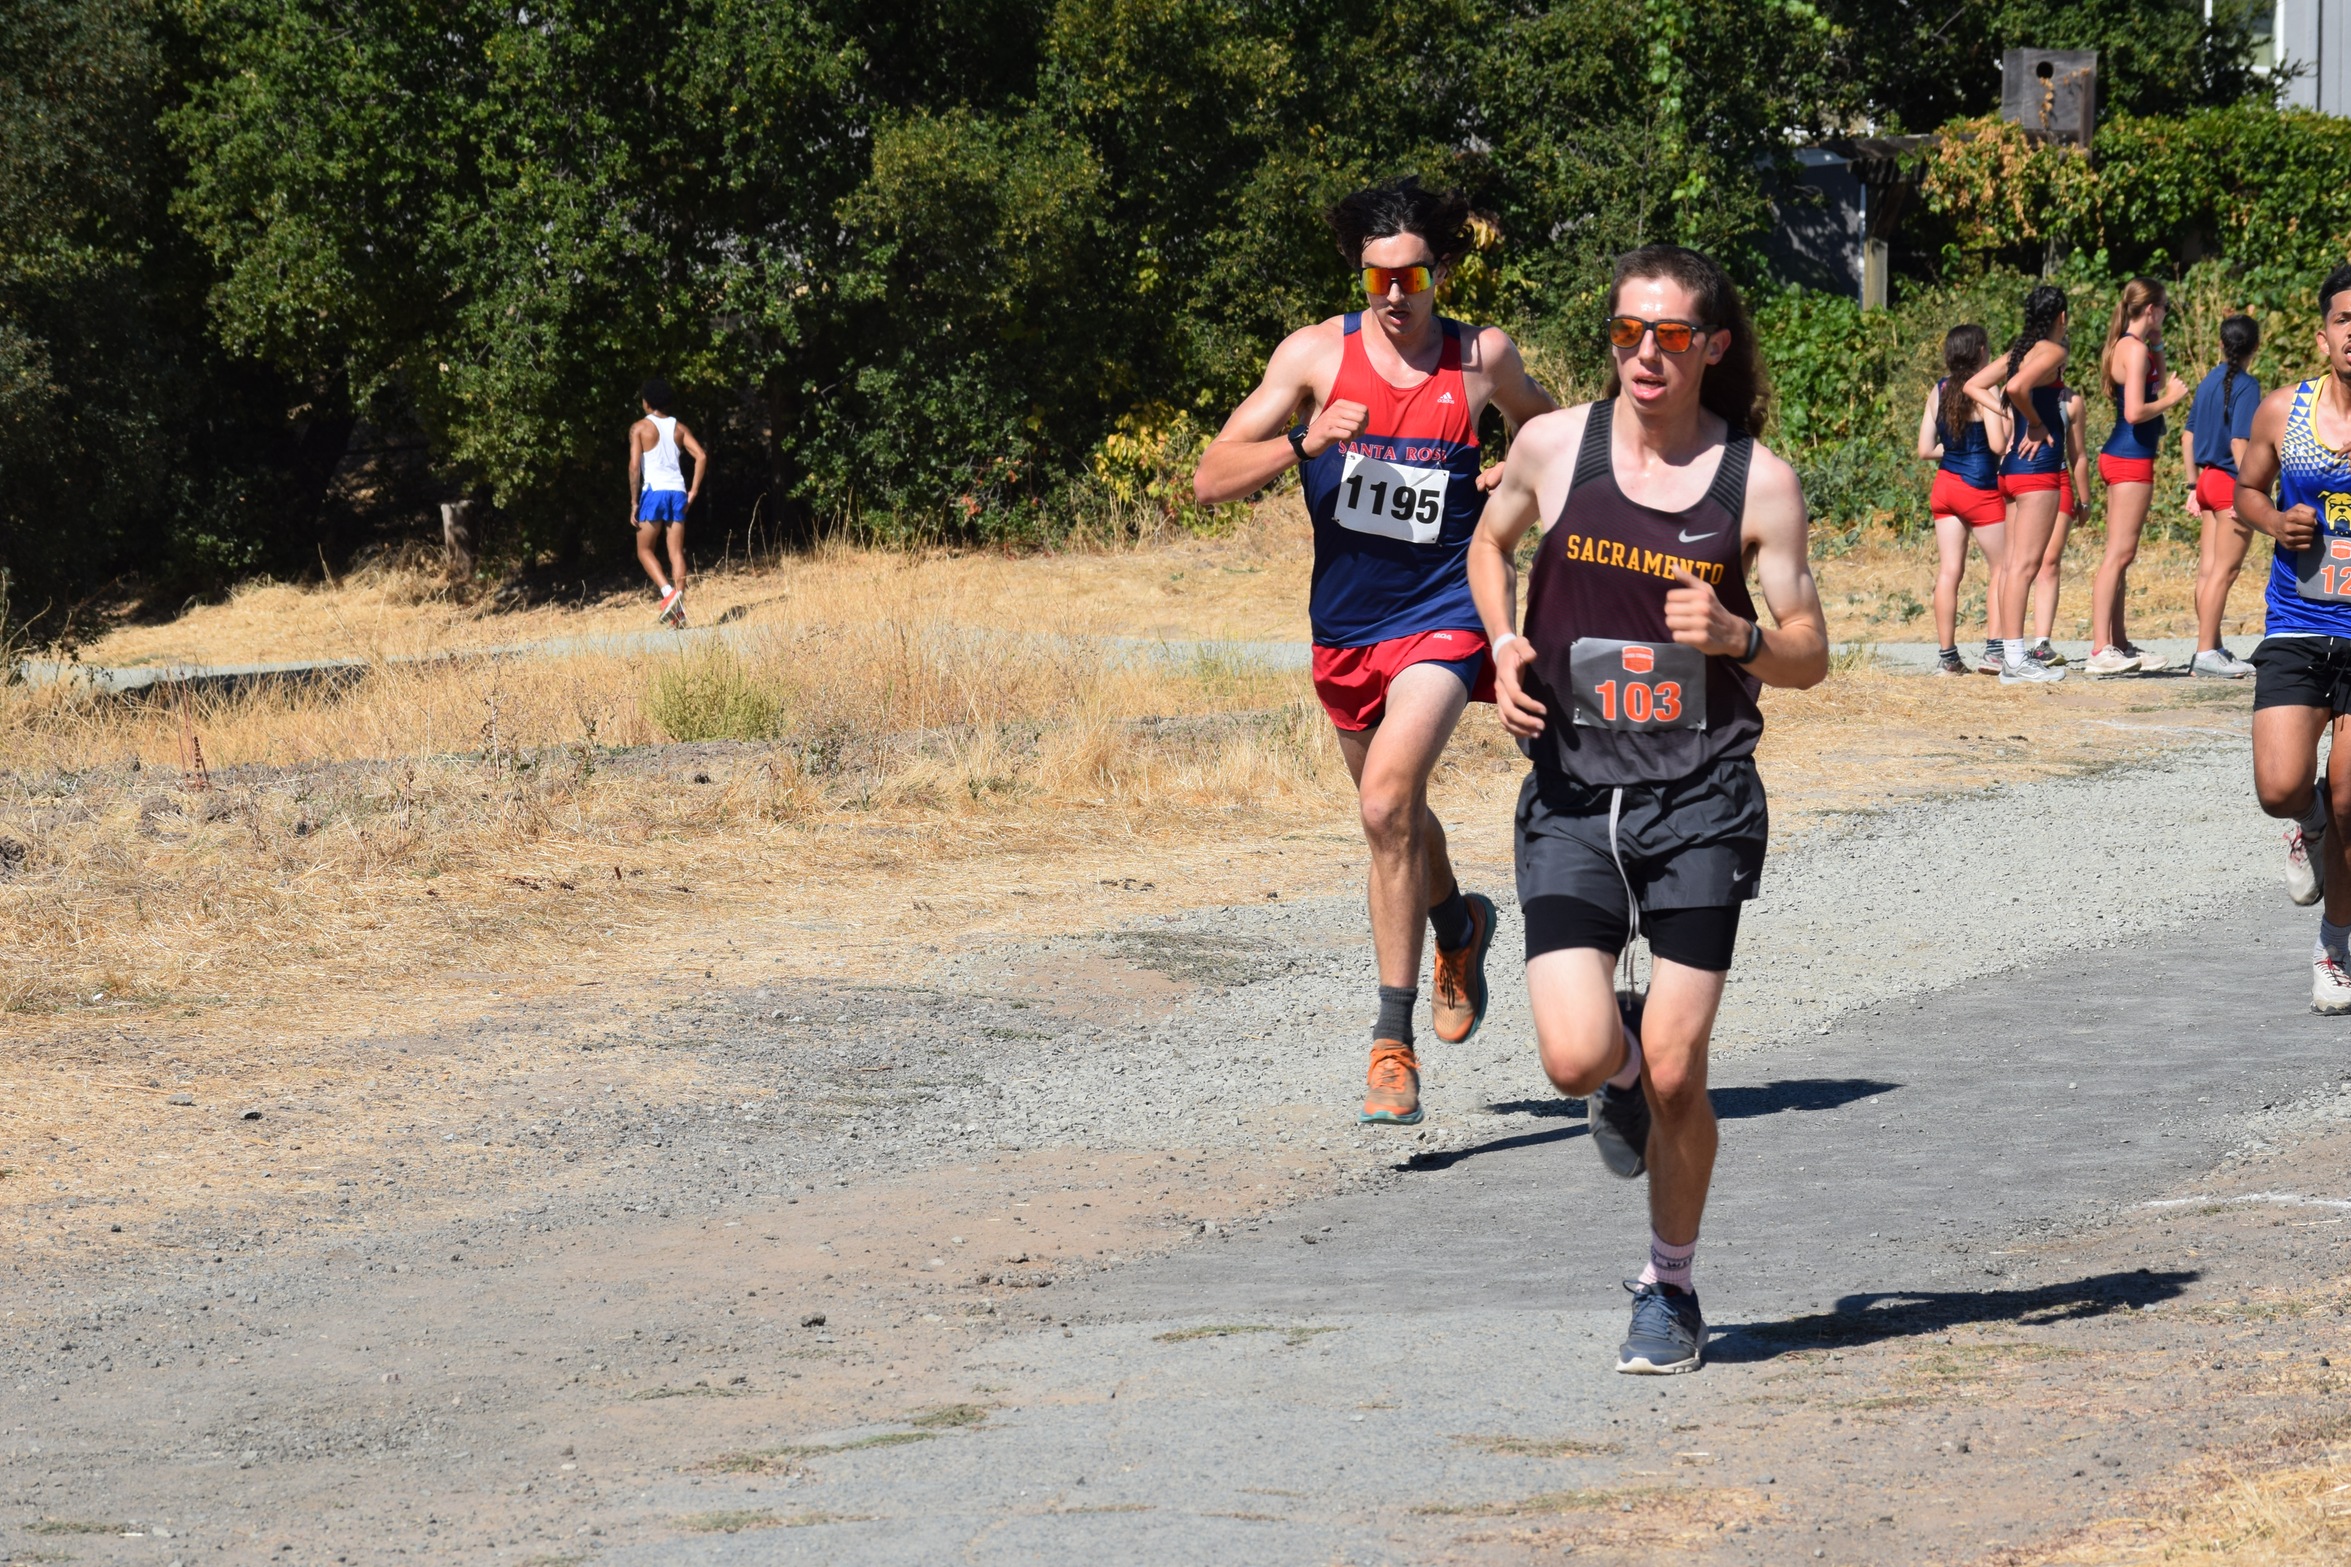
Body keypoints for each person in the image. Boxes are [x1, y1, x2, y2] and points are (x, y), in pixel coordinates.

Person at [1467, 245, 1829, 1373]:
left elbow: (1810, 653)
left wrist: (1740, 640)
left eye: (1667, 337)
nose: (1642, 356)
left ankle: (1667, 1287)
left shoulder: (1753, 482)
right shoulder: (1550, 446)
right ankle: (1616, 1081)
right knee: (1579, 1060)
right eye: (1626, 332)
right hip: (1573, 792)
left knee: (1680, 1067)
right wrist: (1502, 642)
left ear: (1709, 346)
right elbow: (1488, 545)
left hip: (1700, 798)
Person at [1193, 178, 1556, 1125]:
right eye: (1378, 275)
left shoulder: (1481, 357)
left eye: (1413, 275)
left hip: (1445, 613)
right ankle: (1457, 922)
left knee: (1388, 801)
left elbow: (1555, 437)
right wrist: (1304, 444)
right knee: (1392, 816)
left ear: (1436, 272)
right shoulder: (1315, 355)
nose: (1395, 294)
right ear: (1361, 271)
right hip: (1345, 630)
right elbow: (1208, 477)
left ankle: (1389, 1045)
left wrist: (1511, 473)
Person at [2233, 264, 2351, 1012]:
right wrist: (2274, 521)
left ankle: (2334, 944)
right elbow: (2243, 489)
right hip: (2298, 624)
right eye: (2347, 321)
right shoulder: (2284, 411)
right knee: (2281, 788)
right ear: (2324, 334)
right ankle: (2302, 824)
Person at [2086, 280, 2191, 676]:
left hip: (2123, 455)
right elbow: (2134, 411)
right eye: (2163, 308)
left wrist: (2159, 341)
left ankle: (2118, 642)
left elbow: (2154, 379)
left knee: (2121, 555)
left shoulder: (2132, 346)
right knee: (2118, 554)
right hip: (2129, 457)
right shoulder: (2133, 348)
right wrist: (2171, 401)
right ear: (2151, 308)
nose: (2166, 313)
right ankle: (2101, 649)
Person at [1967, 284, 2071, 683]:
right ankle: (2014, 660)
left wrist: (2011, 417)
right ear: (2060, 317)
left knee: (2013, 566)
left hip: (2010, 470)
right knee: (2025, 566)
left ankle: (2011, 655)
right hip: (2039, 469)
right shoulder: (2053, 352)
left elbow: (1973, 386)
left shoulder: (2019, 352)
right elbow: (2015, 388)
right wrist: (2036, 421)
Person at [1918, 325, 2011, 676]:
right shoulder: (1987, 387)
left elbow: (1925, 449)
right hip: (1980, 488)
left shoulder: (1938, 389)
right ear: (1982, 352)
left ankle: (1947, 658)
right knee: (2003, 568)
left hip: (1946, 487)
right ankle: (1995, 651)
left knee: (1949, 572)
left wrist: (1955, 450)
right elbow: (1997, 445)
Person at [2184, 315, 2264, 678]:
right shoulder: (2247, 385)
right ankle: (2205, 652)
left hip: (2206, 480)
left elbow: (2188, 436)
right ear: (2255, 347)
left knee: (2208, 571)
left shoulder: (2207, 381)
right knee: (2224, 572)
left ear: (2221, 344)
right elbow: (2238, 442)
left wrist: (2192, 486)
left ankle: (2210, 645)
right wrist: (2253, 491)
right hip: (2231, 482)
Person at [2017, 387, 2088, 672]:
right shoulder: (2018, 392)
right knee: (2018, 564)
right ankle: (2005, 645)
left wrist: (2085, 500)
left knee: (2049, 562)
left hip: (2057, 479)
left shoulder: (2072, 402)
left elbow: (2079, 454)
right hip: (2022, 476)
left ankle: (2042, 643)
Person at [627, 378, 708, 627]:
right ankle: (679, 611)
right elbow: (701, 456)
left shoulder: (639, 428)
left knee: (644, 550)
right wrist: (693, 491)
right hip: (677, 491)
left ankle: (668, 594)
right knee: (675, 552)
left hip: (654, 491)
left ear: (647, 402)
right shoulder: (679, 428)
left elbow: (633, 467)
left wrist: (633, 501)